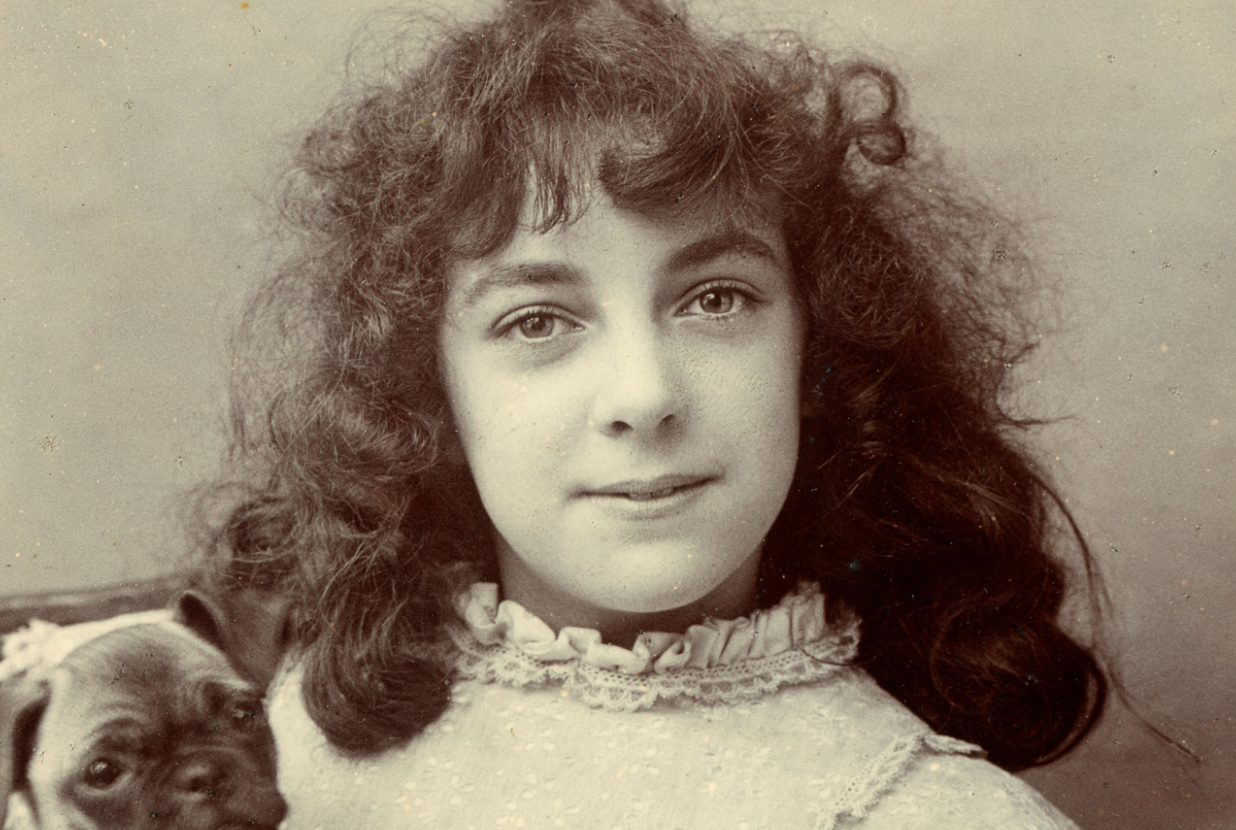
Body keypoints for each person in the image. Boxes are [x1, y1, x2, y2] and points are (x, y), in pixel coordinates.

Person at [195, 0, 1107, 825]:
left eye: (715, 300)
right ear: (425, 394)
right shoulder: (280, 746)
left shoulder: (943, 816)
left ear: (817, 349)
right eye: (537, 319)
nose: (644, 395)